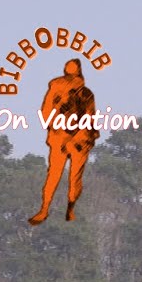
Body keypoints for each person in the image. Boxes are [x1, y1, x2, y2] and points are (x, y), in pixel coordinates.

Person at [29, 59, 99, 226]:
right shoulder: (55, 89)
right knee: (55, 175)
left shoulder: (86, 94)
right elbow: (45, 112)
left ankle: (69, 208)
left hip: (78, 139)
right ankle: (45, 209)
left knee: (73, 177)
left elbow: (90, 117)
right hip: (60, 137)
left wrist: (88, 136)